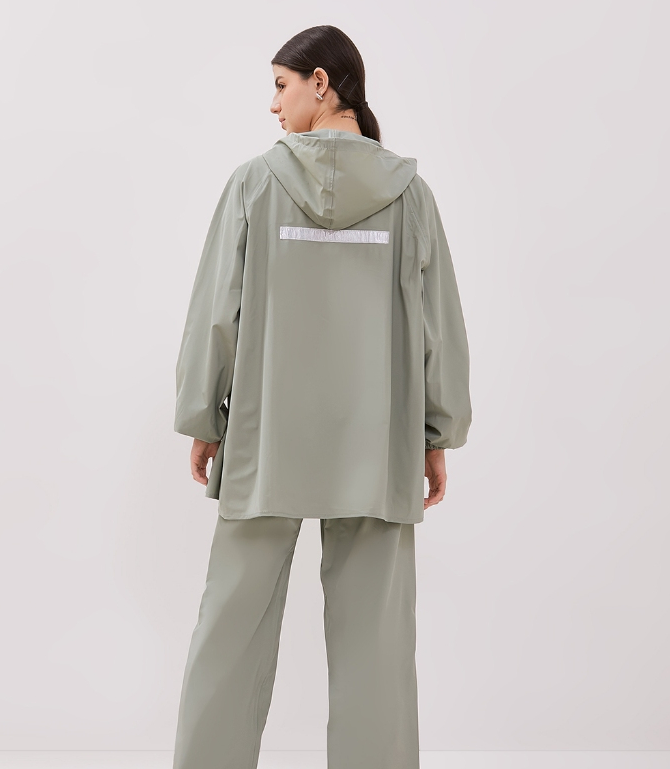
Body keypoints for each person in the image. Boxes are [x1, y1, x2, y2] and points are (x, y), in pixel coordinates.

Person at [171, 24, 472, 769]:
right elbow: (439, 324)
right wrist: (436, 433)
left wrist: (204, 416)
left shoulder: (254, 184)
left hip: (265, 440)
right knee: (377, 647)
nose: (273, 104)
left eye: (281, 85)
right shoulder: (409, 195)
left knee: (229, 633)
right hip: (378, 443)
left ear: (322, 83)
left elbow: (216, 312)